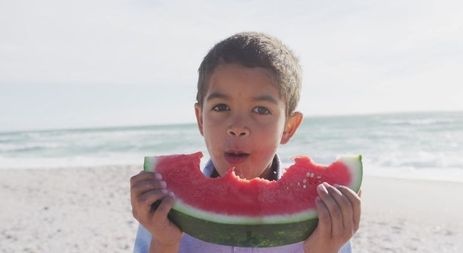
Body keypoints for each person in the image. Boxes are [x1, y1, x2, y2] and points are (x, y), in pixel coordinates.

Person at [130, 32, 361, 253]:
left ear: (289, 127)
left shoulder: (320, 214)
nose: (238, 127)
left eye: (261, 110)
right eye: (221, 107)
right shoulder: (167, 206)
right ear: (201, 119)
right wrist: (165, 243)